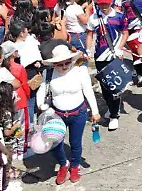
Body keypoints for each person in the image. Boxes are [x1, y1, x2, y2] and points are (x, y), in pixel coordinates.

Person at [37, 44, 100, 184]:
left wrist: (95, 111)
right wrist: (42, 106)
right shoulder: (48, 74)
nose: (64, 66)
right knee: (55, 144)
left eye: (67, 63)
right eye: (60, 64)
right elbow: (42, 91)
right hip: (56, 114)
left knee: (75, 143)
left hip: (78, 113)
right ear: (54, 64)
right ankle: (63, 164)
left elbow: (88, 91)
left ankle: (75, 166)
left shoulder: (80, 71)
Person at [86, 0, 128, 131]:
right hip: (100, 57)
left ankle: (114, 115)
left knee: (114, 87)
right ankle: (111, 107)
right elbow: (90, 34)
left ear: (111, 3)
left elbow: (125, 33)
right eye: (101, 4)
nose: (103, 7)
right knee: (104, 88)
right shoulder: (94, 18)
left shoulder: (119, 16)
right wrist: (88, 49)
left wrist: (120, 48)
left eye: (106, 4)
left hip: (114, 57)